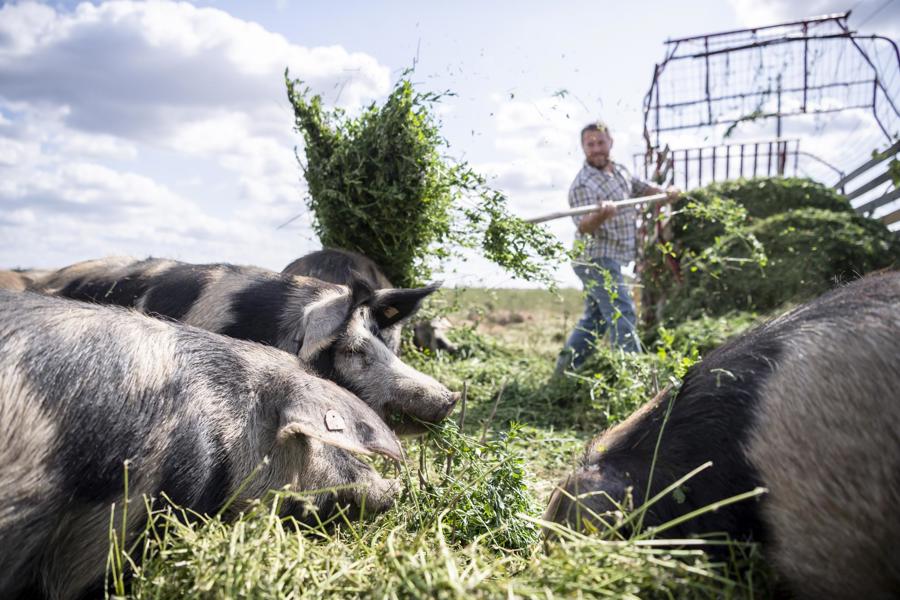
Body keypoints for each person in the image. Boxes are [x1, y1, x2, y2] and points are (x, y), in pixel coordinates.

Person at [556, 121, 678, 373]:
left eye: (601, 142)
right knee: (622, 311)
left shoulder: (619, 170)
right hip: (594, 257)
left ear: (610, 143)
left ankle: (566, 369)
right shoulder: (582, 184)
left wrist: (665, 193)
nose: (596, 148)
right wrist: (602, 214)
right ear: (583, 147)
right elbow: (585, 227)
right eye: (590, 144)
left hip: (613, 255)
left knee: (597, 319)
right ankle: (632, 372)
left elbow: (642, 188)